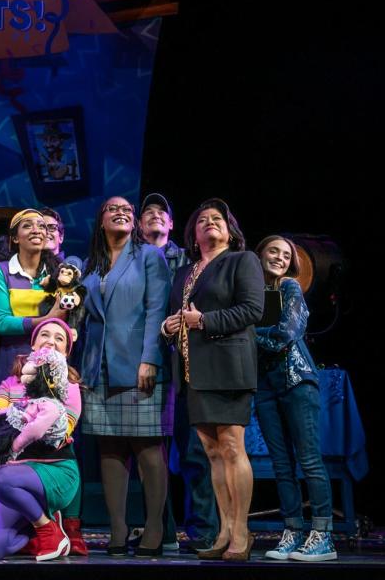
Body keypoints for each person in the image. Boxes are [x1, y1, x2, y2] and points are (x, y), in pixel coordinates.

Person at [161, 198, 264, 562]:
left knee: (233, 448)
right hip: (193, 372)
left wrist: (203, 321)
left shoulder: (241, 261)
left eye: (217, 218)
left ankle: (241, 532)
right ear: (192, 234)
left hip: (228, 366)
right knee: (212, 454)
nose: (209, 223)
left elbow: (253, 310)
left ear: (229, 228)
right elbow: (180, 315)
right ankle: (224, 528)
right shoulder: (184, 273)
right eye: (202, 220)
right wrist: (169, 326)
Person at [77, 197, 173, 556]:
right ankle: (118, 527)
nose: (121, 212)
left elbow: (156, 309)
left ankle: (154, 527)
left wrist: (149, 359)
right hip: (97, 367)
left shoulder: (149, 256)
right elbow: (83, 320)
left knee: (147, 447)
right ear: (101, 221)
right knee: (109, 447)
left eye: (128, 210)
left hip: (136, 364)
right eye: (112, 209)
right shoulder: (93, 264)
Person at [254, 235, 337, 562]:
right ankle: (293, 530)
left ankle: (323, 535)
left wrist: (247, 332)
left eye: (286, 255)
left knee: (309, 459)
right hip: (264, 386)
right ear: (259, 255)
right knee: (281, 464)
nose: (279, 258)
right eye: (273, 251)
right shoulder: (253, 294)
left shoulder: (289, 288)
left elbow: (285, 334)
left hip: (296, 380)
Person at [138, 191, 213, 551]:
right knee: (153, 454)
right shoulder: (132, 261)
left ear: (171, 223)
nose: (154, 216)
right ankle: (160, 529)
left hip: (186, 367)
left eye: (161, 213)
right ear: (139, 225)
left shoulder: (188, 262)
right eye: (147, 212)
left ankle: (204, 531)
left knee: (195, 452)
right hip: (148, 365)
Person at [0, 318, 82, 561]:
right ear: (33, 345)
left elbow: (63, 429)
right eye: (45, 335)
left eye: (59, 338)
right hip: (16, 476)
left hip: (53, 471)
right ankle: (42, 525)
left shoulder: (68, 386)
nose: (51, 341)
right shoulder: (12, 383)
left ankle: (47, 529)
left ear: (65, 352)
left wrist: (14, 420)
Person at [0, 209, 63, 391]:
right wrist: (46, 319)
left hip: (50, 358)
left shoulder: (58, 273)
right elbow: (2, 323)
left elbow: (64, 317)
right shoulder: (1, 270)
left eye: (41, 226)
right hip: (11, 358)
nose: (36, 230)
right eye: (27, 226)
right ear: (15, 238)